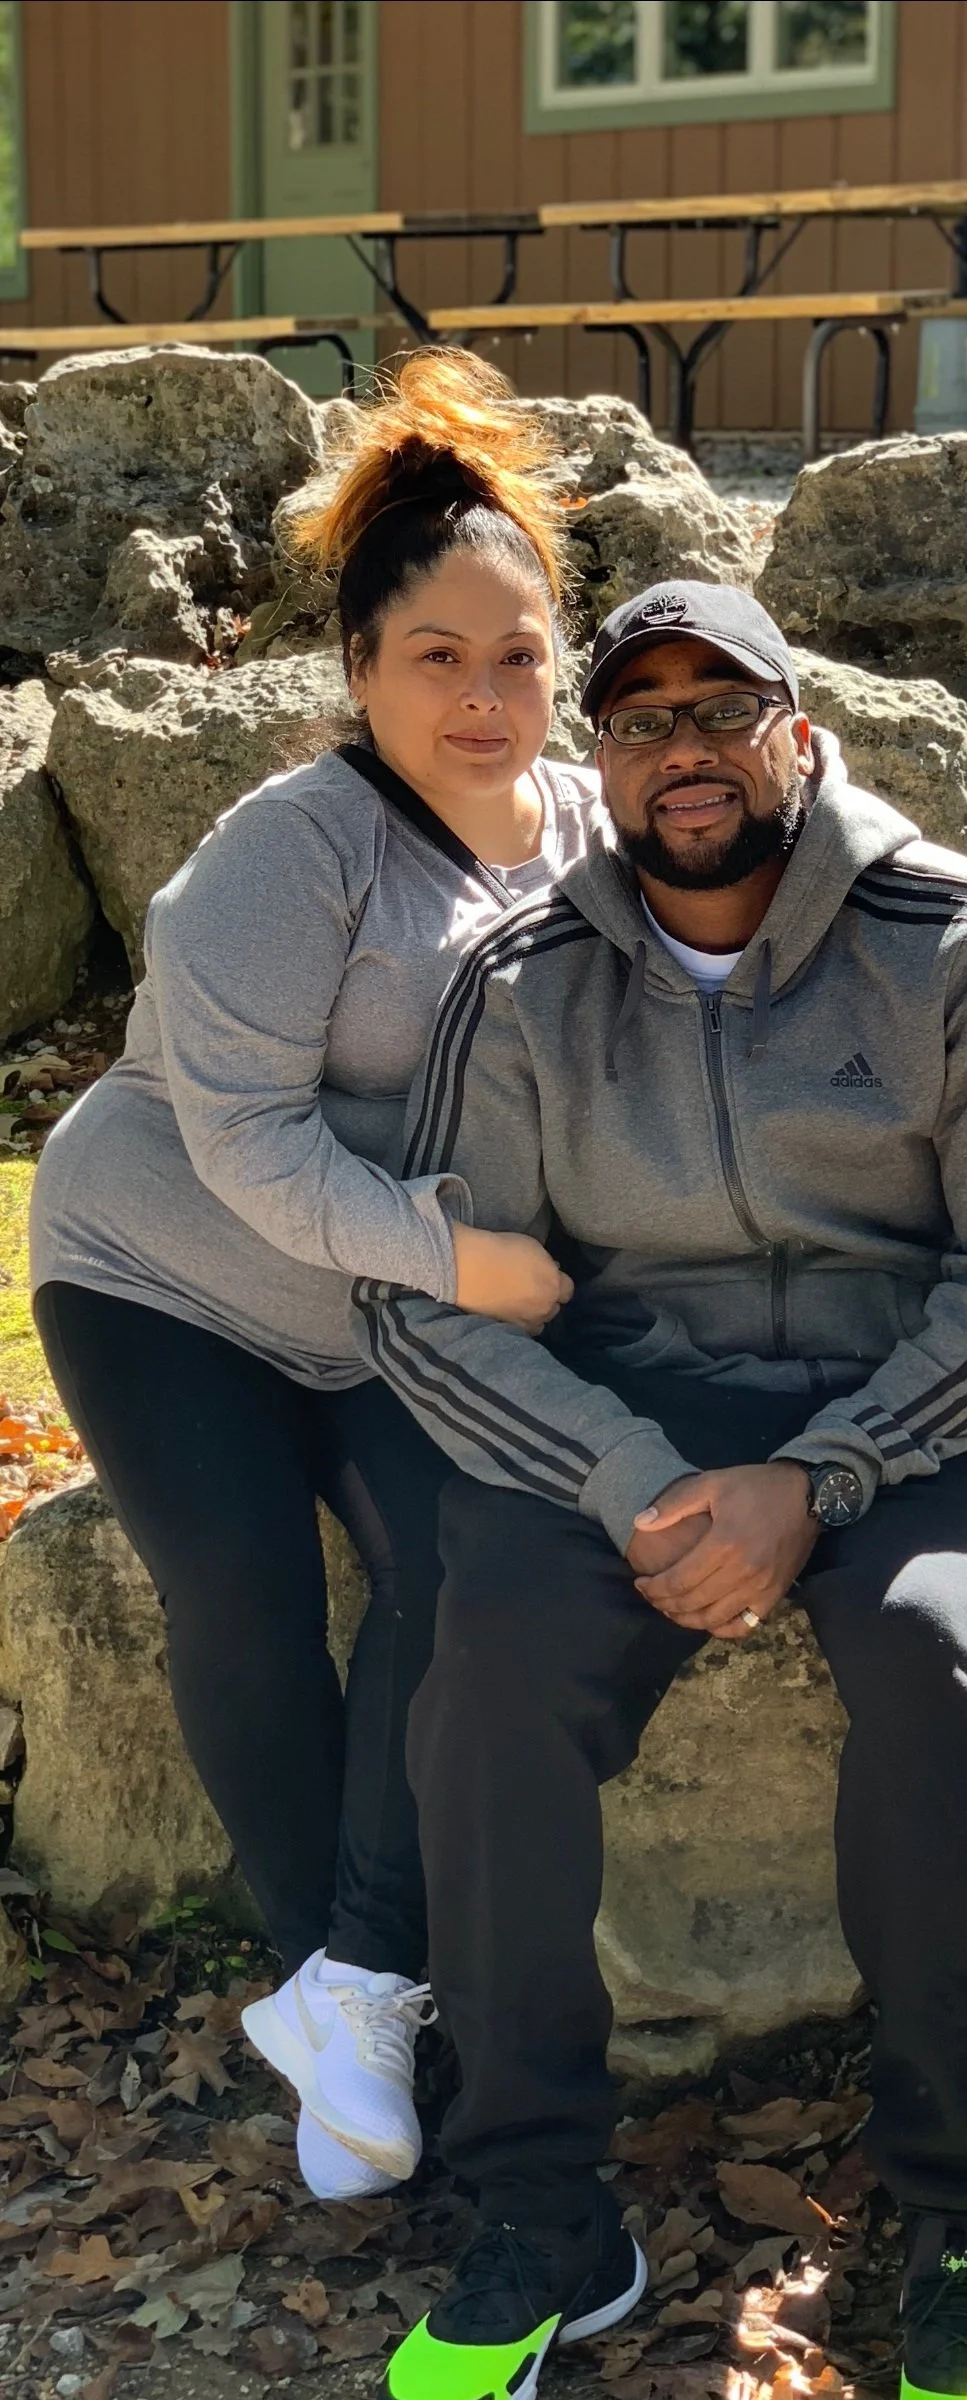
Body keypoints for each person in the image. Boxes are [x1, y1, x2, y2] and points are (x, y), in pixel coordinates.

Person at [352, 581, 967, 2400]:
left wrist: (829, 1479)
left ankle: (956, 2234)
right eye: (637, 716)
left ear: (798, 726)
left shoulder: (961, 937)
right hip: (637, 1423)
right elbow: (432, 1297)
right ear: (598, 759)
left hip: (917, 1408)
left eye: (720, 704)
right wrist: (630, 1484)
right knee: (491, 1657)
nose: (679, 745)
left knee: (926, 1652)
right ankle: (537, 2214)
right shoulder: (521, 975)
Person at [28, 349, 590, 2206]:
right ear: (357, 669)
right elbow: (244, 1139)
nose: (485, 695)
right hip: (163, 1266)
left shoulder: (583, 837)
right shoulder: (288, 852)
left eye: (517, 653)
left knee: (457, 1567)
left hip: (376, 1321)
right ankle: (329, 1985)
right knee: (249, 1592)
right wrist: (455, 1252)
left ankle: (359, 1982)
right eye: (438, 655)